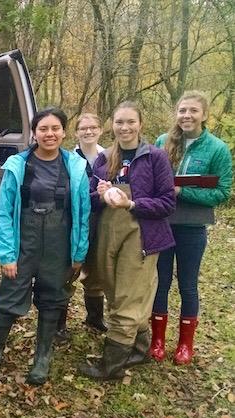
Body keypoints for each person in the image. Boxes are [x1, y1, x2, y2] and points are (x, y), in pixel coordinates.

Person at [0, 107, 90, 385]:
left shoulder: (75, 167)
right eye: (43, 129)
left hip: (58, 242)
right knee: (8, 300)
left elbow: (82, 213)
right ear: (34, 133)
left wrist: (79, 252)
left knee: (53, 300)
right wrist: (7, 254)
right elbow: (3, 211)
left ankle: (42, 358)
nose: (49, 134)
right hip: (24, 242)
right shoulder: (18, 165)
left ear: (64, 132)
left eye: (55, 128)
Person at [79, 101, 176, 381]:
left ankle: (111, 366)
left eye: (130, 121)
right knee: (115, 293)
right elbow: (90, 199)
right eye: (119, 122)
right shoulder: (105, 158)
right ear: (112, 124)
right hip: (109, 236)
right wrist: (99, 193)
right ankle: (140, 349)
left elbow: (167, 203)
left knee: (127, 298)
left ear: (140, 124)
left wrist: (132, 203)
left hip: (142, 237)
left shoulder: (155, 157)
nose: (125, 127)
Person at [150, 91, 232, 365]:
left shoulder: (217, 148)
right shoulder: (162, 141)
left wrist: (182, 191)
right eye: (183, 110)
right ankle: (157, 340)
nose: (187, 115)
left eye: (193, 111)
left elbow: (222, 193)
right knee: (160, 282)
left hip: (193, 228)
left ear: (204, 115)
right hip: (162, 224)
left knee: (187, 285)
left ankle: (185, 344)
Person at [56, 113, 107, 342]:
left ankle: (95, 319)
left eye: (93, 127)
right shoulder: (68, 159)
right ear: (76, 132)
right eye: (83, 128)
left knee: (95, 271)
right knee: (68, 271)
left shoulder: (108, 158)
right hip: (74, 221)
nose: (89, 131)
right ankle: (59, 326)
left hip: (101, 220)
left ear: (101, 130)